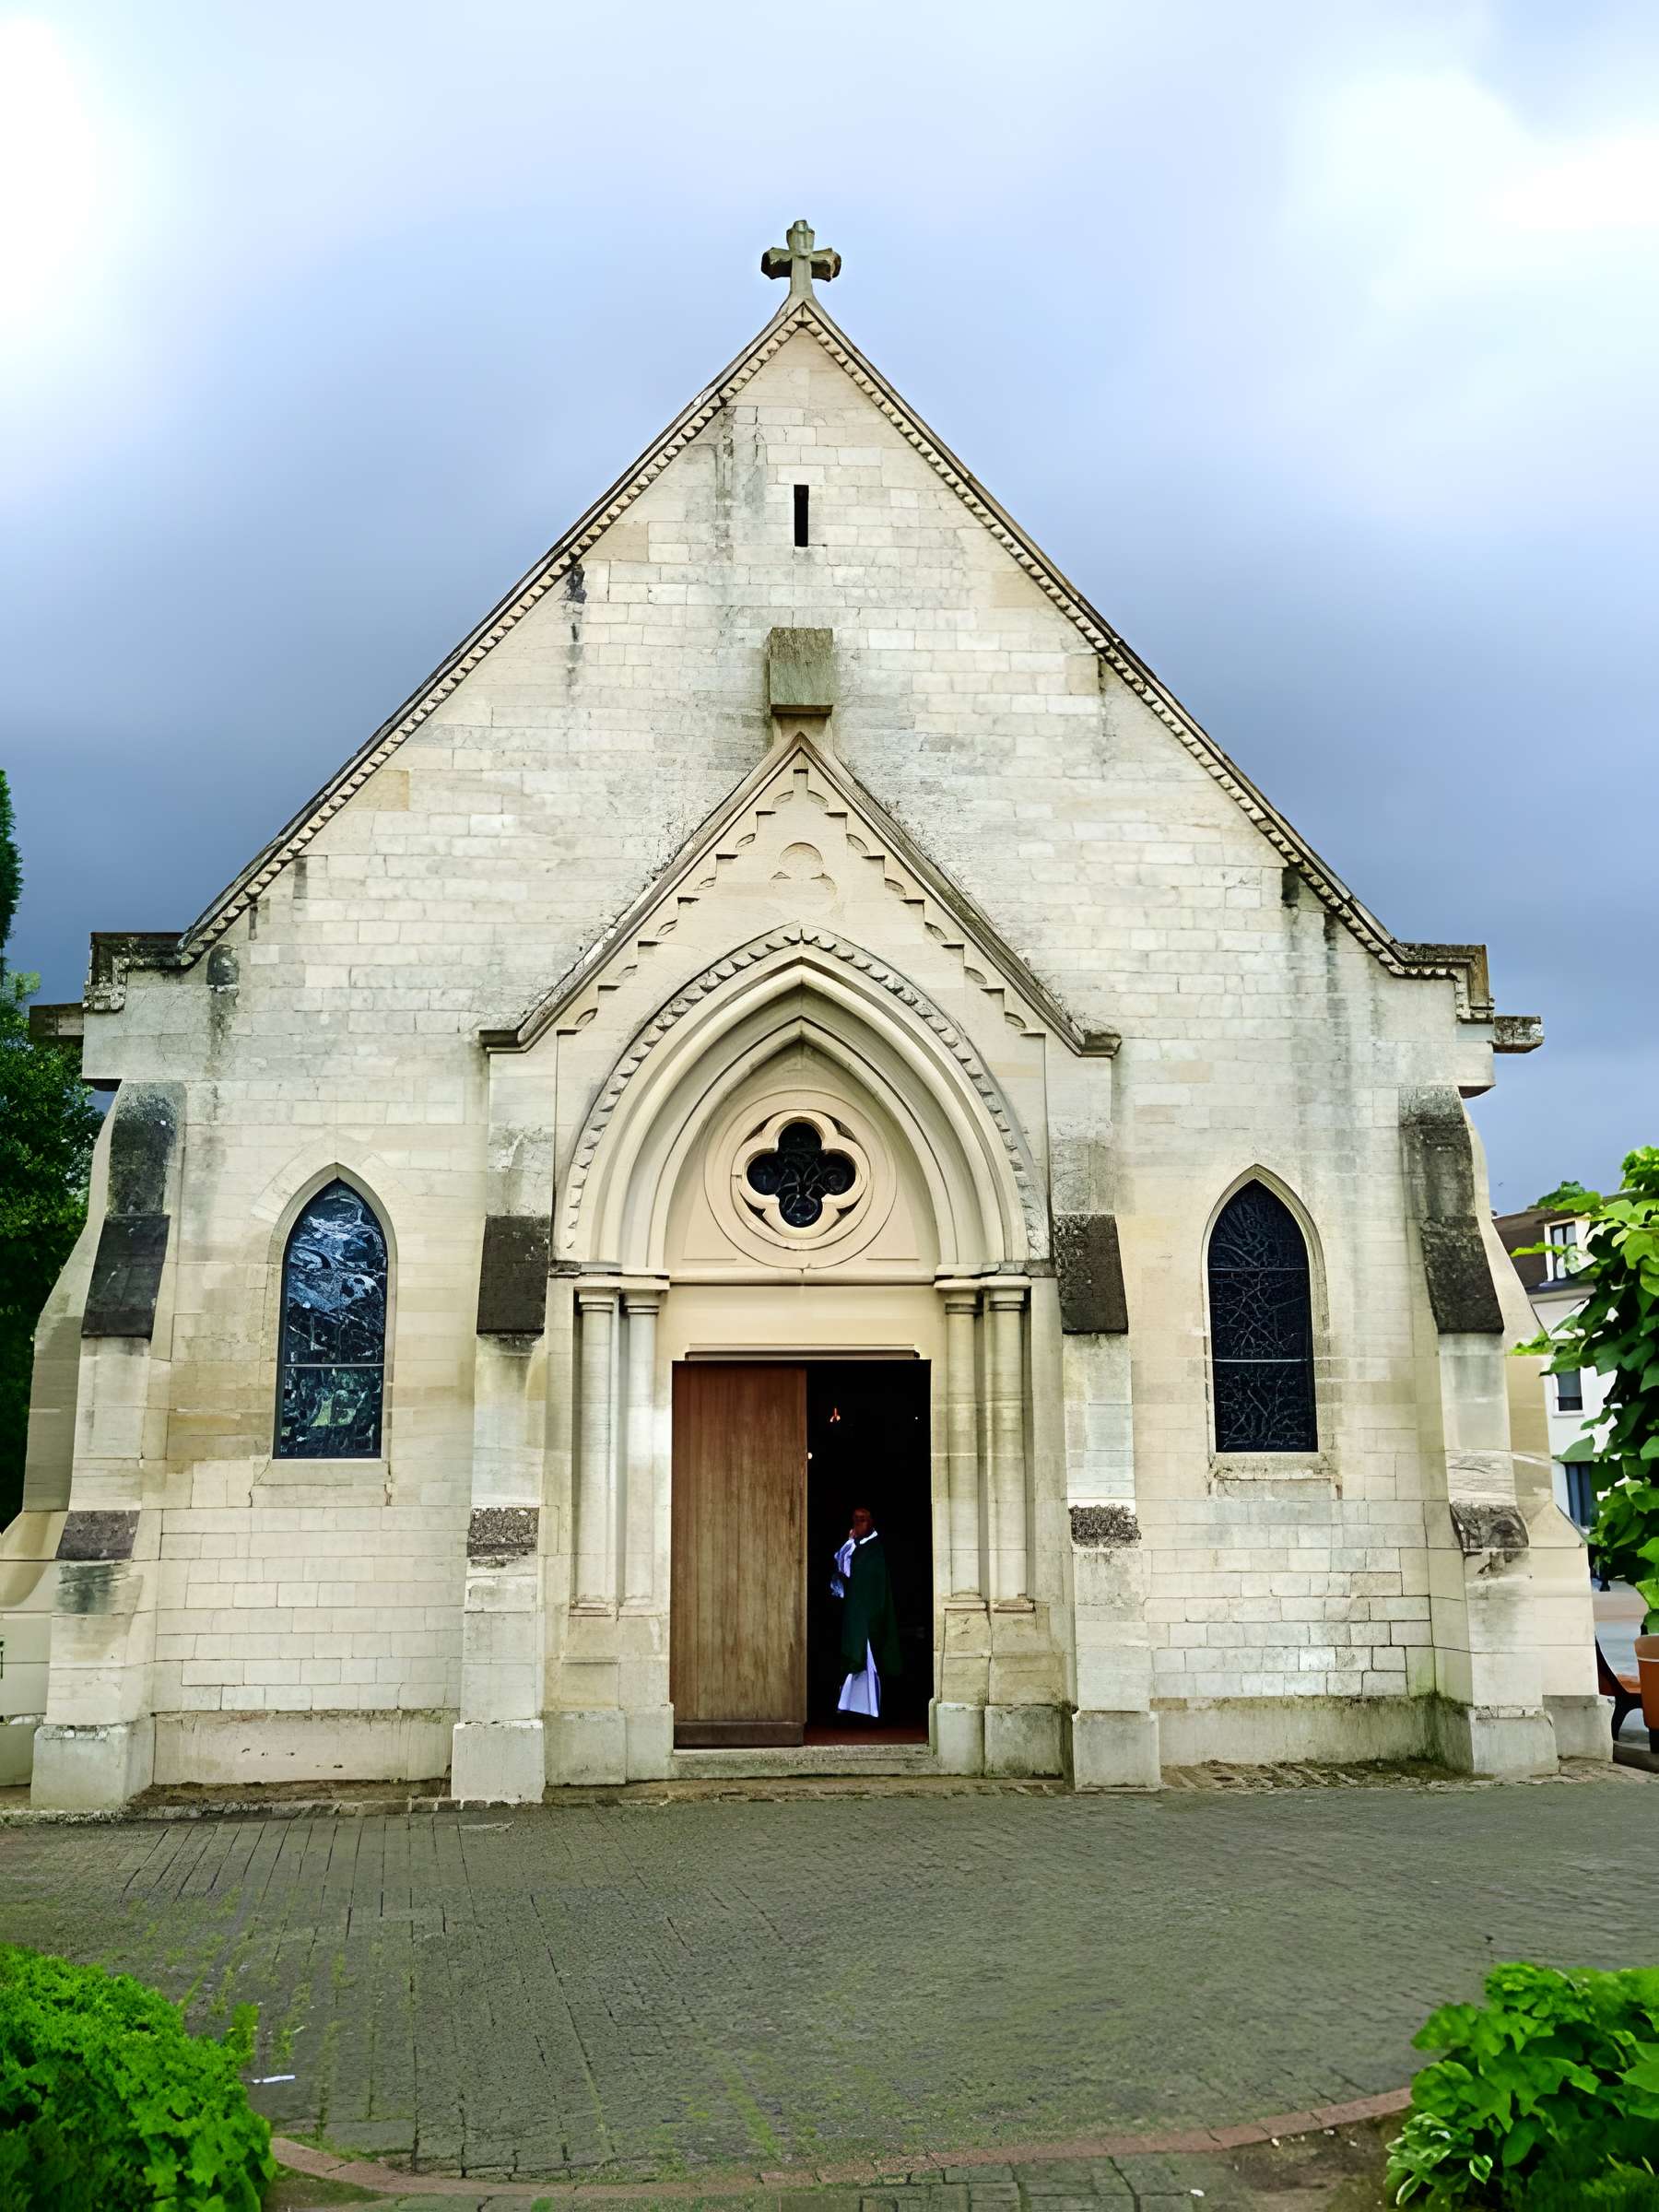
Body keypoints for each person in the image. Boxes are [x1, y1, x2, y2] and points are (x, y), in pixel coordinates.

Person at [829, 1504, 902, 1720]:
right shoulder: (856, 1547)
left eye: (862, 1520)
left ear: (871, 1523)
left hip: (871, 1617)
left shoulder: (875, 1549)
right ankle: (850, 1707)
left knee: (868, 1660)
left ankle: (871, 1710)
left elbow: (875, 1583)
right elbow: (843, 1570)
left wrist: (871, 1614)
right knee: (855, 1658)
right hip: (857, 1614)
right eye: (855, 1520)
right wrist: (850, 1542)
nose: (858, 1524)